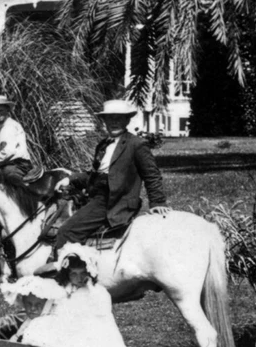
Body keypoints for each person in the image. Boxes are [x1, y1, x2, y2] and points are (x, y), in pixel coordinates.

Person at [44, 98, 168, 260]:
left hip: (113, 201)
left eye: (119, 118)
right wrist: (71, 179)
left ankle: (66, 274)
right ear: (104, 121)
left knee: (67, 231)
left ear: (127, 120)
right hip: (96, 195)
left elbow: (152, 174)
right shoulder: (103, 145)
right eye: (110, 118)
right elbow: (95, 175)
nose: (114, 122)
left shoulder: (136, 145)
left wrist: (157, 202)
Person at [0, 248, 135, 347]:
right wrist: (13, 331)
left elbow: (101, 319)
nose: (78, 278)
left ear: (90, 272)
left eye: (82, 273)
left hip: (86, 332)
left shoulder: (96, 293)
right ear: (67, 274)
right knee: (38, 333)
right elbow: (40, 311)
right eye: (73, 274)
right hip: (61, 329)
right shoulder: (61, 290)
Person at [0, 94, 35, 183]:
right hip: (12, 163)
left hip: (18, 164)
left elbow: (7, 152)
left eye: (0, 110)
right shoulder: (3, 126)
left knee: (6, 181)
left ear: (7, 110)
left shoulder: (8, 127)